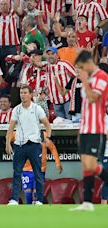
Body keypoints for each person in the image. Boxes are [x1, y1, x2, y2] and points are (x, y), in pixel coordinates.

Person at [70, 51, 108, 211]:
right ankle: (87, 203)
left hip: (96, 128)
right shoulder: (90, 78)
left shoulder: (102, 77)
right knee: (87, 165)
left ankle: (88, 202)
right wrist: (80, 131)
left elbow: (93, 98)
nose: (80, 71)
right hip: (85, 128)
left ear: (87, 63)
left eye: (80, 68)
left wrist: (84, 81)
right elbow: (85, 107)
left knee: (91, 164)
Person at [5, 85, 52, 205]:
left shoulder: (37, 109)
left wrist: (47, 137)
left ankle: (40, 200)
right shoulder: (16, 109)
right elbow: (11, 128)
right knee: (16, 173)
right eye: (21, 93)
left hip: (34, 145)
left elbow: (47, 125)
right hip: (19, 144)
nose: (23, 95)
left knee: (38, 173)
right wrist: (8, 143)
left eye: (25, 92)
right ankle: (14, 199)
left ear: (31, 94)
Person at [20, 132, 62, 204]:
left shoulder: (43, 135)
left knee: (36, 193)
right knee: (28, 193)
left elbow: (52, 148)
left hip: (40, 169)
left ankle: (36, 211)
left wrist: (57, 163)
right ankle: (29, 211)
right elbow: (10, 137)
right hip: (26, 169)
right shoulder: (22, 132)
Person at [45, 47, 76, 120]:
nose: (50, 56)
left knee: (70, 122)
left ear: (57, 55)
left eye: (52, 54)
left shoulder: (64, 64)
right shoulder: (46, 66)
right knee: (60, 124)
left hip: (67, 99)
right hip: (55, 101)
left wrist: (69, 89)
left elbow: (75, 76)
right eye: (48, 54)